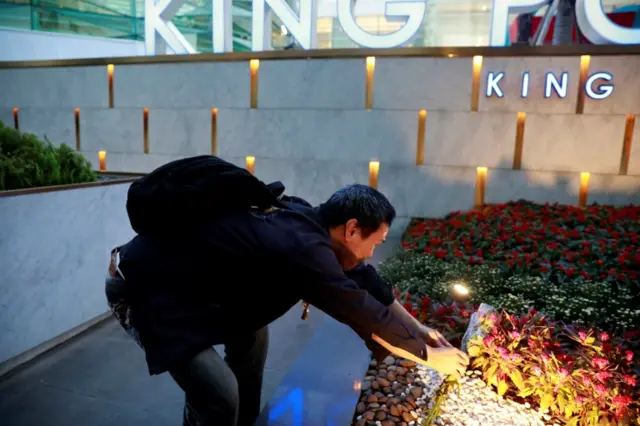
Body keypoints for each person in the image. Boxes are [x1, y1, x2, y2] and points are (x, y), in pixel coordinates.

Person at [106, 155, 468, 426]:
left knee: (253, 337)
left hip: (197, 290)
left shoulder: (306, 219)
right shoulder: (303, 251)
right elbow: (363, 313)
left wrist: (419, 329)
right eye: (376, 242)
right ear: (352, 229)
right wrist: (429, 357)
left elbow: (365, 280)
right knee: (218, 394)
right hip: (146, 288)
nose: (374, 252)